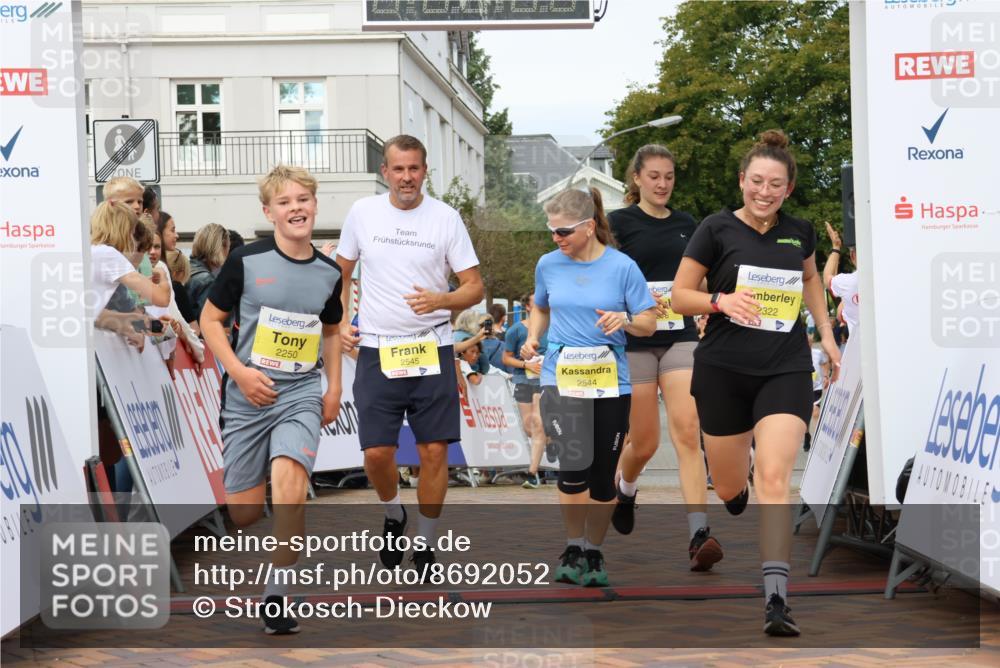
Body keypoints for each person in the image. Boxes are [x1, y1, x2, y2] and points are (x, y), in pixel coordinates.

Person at [671, 129, 841, 637]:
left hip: (784, 366)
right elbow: (680, 296)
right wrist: (720, 301)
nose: (765, 192)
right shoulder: (715, 229)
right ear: (743, 180)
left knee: (774, 478)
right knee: (729, 486)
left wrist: (826, 335)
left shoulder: (800, 231)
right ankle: (732, 474)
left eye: (776, 185)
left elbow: (811, 280)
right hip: (722, 369)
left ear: (788, 189)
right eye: (757, 182)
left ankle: (776, 599)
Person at [200, 164, 344, 635]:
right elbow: (209, 321)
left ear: (315, 205)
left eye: (303, 199)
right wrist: (239, 373)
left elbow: (330, 330)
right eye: (285, 202)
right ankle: (258, 497)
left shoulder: (328, 272)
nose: (296, 208)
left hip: (300, 391)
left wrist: (334, 387)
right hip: (248, 396)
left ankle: (278, 592)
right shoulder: (248, 262)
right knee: (242, 512)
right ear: (269, 212)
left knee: (289, 483)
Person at [335, 135, 483, 579]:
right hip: (378, 348)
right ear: (385, 172)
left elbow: (474, 286)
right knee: (377, 453)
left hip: (431, 346)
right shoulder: (363, 212)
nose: (406, 178)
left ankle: (425, 543)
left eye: (414, 169)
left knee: (433, 450)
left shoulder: (445, 218)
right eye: (398, 169)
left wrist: (442, 298)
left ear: (424, 171)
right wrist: (342, 322)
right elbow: (340, 274)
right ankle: (393, 512)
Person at [521, 188, 657, 588]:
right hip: (561, 377)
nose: (556, 239)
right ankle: (574, 546)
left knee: (602, 477)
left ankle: (595, 551)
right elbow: (541, 306)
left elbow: (649, 320)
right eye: (551, 231)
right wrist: (533, 337)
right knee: (572, 467)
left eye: (563, 231)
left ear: (588, 226)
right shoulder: (548, 265)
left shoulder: (622, 267)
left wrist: (625, 320)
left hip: (610, 381)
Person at [607, 143, 721, 571]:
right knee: (645, 441)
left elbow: (696, 277)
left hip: (680, 337)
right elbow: (605, 274)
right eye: (653, 176)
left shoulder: (687, 224)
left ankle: (698, 534)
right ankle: (626, 486)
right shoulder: (618, 224)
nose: (662, 184)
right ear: (636, 178)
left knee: (689, 432)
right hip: (634, 340)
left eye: (669, 177)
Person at [503, 292, 547, 489]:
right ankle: (553, 436)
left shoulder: (552, 326)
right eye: (535, 302)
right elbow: (506, 358)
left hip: (546, 381)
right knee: (530, 428)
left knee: (538, 424)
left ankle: (532, 474)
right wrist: (525, 365)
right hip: (523, 380)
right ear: (528, 307)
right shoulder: (515, 330)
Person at [823, 221, 859, 335]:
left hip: (859, 350)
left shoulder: (846, 283)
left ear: (853, 256)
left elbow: (827, 278)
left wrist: (836, 247)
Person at [187, 223, 230, 318]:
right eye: (227, 246)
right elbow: (207, 320)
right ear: (221, 247)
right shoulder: (207, 281)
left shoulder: (185, 269)